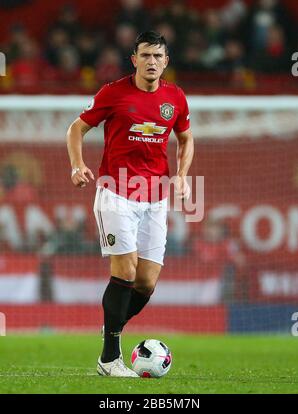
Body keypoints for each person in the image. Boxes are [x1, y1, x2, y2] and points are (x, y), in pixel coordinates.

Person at [66, 31, 194, 377]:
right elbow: (76, 129)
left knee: (146, 282)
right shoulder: (113, 93)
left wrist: (182, 174)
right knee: (124, 271)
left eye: (158, 56)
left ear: (166, 62)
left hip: (155, 198)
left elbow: (186, 138)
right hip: (115, 192)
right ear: (134, 60)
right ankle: (109, 358)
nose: (152, 61)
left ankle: (112, 326)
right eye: (145, 55)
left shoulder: (175, 98)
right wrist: (77, 165)